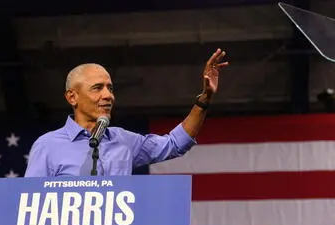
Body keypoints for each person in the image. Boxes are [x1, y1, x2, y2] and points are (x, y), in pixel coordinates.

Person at [24, 48, 228, 177]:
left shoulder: (124, 141)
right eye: (97, 88)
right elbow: (30, 207)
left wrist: (204, 100)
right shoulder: (47, 146)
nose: (108, 96)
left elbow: (175, 144)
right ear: (72, 97)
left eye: (110, 88)